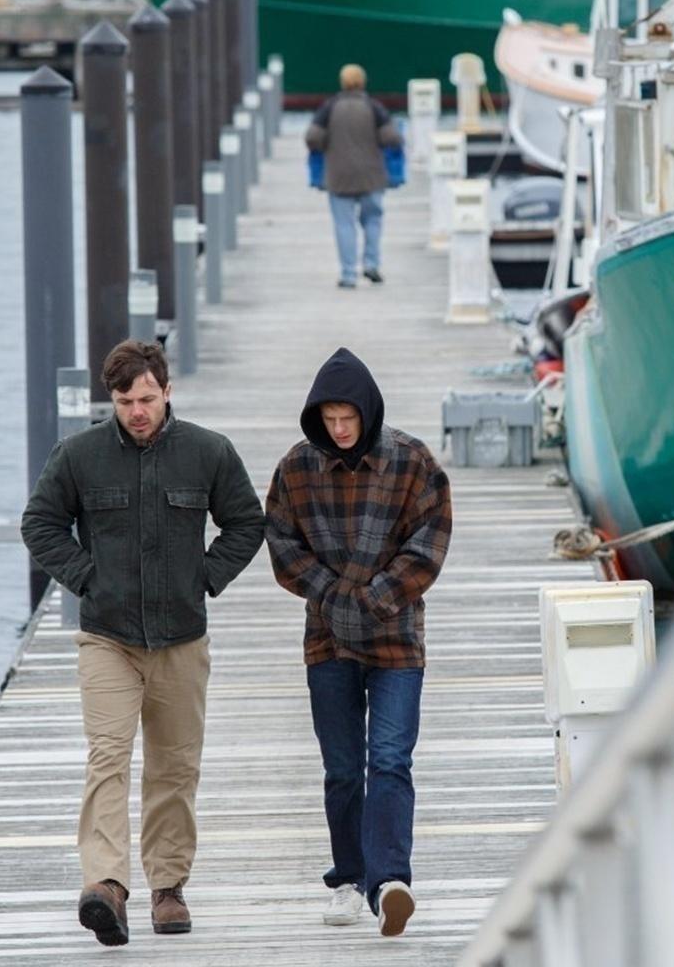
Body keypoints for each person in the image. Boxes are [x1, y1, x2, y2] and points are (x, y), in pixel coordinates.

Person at [21, 340, 265, 946]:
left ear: (167, 391)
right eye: (126, 400)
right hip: (108, 638)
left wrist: (204, 577)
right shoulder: (78, 457)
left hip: (183, 638)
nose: (137, 410)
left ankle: (168, 888)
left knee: (174, 768)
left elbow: (247, 522)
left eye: (148, 399)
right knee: (108, 757)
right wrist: (85, 577)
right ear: (112, 399)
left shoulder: (209, 452)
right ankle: (106, 885)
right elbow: (40, 524)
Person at [263, 347, 453, 937]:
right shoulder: (296, 469)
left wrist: (373, 598)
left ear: (367, 413)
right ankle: (349, 879)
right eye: (330, 421)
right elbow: (283, 546)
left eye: (349, 419)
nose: (340, 431)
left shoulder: (414, 462)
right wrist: (336, 597)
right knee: (342, 767)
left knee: (390, 759)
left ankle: (391, 879)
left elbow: (430, 543)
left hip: (397, 639)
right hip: (327, 640)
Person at [306, 64, 403, 289]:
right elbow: (392, 138)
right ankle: (371, 263)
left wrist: (326, 145)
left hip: (339, 176)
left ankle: (348, 274)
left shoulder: (329, 108)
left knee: (344, 224)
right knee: (373, 219)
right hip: (372, 176)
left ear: (342, 82)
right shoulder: (374, 107)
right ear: (363, 82)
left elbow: (312, 137)